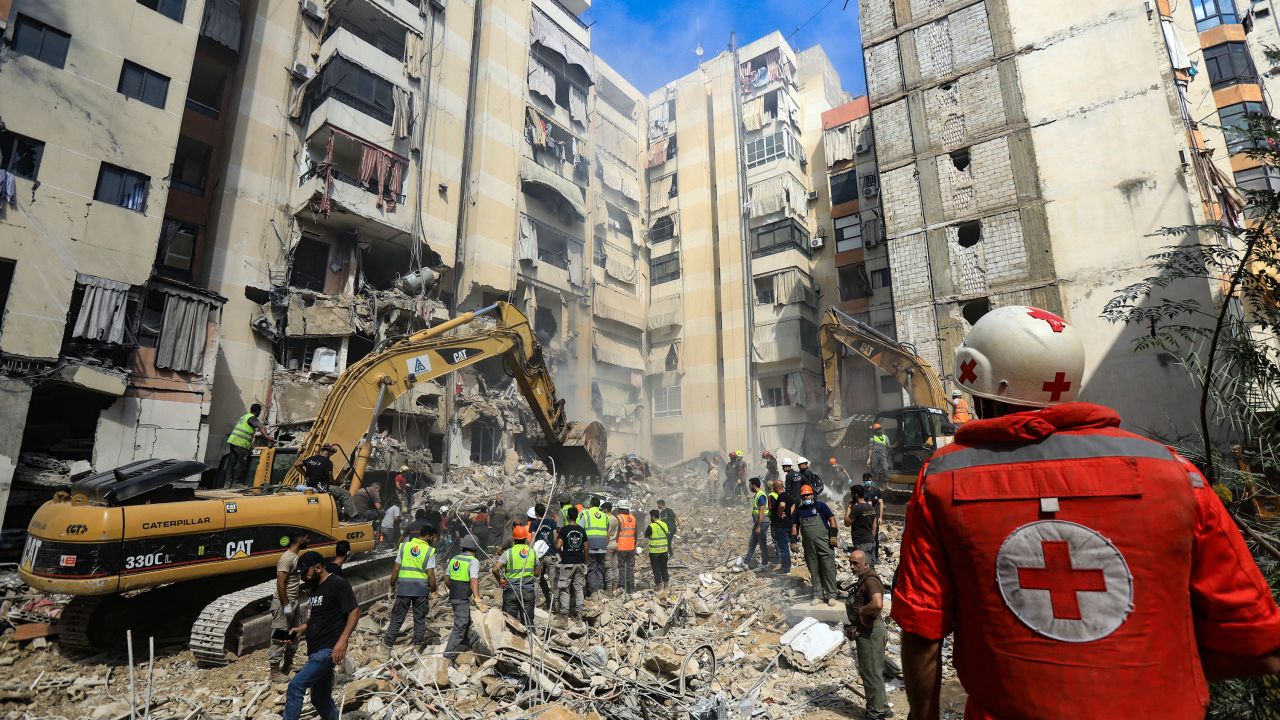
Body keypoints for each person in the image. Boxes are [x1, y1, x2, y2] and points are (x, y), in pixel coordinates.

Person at [893, 305, 1280, 720]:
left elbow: (922, 627)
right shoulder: (1173, 471)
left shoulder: (943, 477)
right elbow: (1255, 643)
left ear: (980, 379)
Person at [283, 551, 359, 720]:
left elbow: (354, 610)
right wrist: (300, 629)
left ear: (318, 567)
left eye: (305, 573)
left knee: (295, 687)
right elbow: (317, 618)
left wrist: (342, 641)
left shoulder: (337, 584)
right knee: (320, 699)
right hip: (315, 650)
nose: (303, 577)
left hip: (328, 650)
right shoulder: (315, 589)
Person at [846, 549, 890, 720]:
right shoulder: (864, 579)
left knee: (871, 672)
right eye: (850, 562)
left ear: (866, 564)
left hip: (871, 632)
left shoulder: (870, 580)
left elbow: (878, 604)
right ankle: (883, 707)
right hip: (868, 630)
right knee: (874, 671)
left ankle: (876, 712)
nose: (851, 566)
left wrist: (862, 611)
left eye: (855, 563)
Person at [381, 524, 437, 654]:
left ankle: (387, 648)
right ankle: (417, 647)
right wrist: (433, 589)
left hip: (404, 589)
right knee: (419, 619)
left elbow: (396, 569)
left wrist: (392, 584)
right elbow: (431, 574)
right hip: (421, 591)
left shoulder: (404, 546)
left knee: (397, 618)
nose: (434, 540)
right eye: (433, 537)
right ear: (428, 537)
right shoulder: (429, 551)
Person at [270, 533, 311, 683]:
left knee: (294, 634)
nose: (308, 541)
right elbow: (280, 584)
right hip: (283, 603)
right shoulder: (287, 558)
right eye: (307, 538)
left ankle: (287, 665)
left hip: (293, 601)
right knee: (280, 636)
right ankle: (274, 672)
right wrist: (286, 605)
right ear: (300, 539)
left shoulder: (295, 558)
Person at [443, 535, 484, 662]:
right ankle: (447, 657)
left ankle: (467, 644)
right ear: (475, 549)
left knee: (466, 622)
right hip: (461, 598)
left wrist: (455, 589)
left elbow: (446, 579)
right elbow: (473, 580)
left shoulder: (455, 558)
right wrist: (477, 597)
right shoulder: (473, 561)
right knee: (460, 626)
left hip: (454, 596)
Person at [796, 484, 839, 604]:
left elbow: (831, 519)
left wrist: (833, 534)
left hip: (824, 542)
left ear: (812, 495)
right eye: (804, 496)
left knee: (828, 568)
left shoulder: (821, 506)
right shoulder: (800, 510)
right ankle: (818, 595)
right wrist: (793, 540)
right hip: (809, 546)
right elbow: (795, 525)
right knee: (814, 570)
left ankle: (831, 595)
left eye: (808, 495)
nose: (806, 497)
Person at [493, 525, 538, 625]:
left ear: (513, 539)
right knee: (528, 622)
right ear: (526, 538)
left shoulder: (508, 553)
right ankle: (529, 638)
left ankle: (511, 638)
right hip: (528, 590)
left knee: (510, 622)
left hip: (511, 591)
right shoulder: (532, 552)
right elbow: (538, 572)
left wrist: (500, 580)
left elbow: (495, 569)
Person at [222, 402, 272, 487]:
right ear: (258, 411)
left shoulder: (244, 416)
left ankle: (227, 484)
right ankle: (236, 483)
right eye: (260, 411)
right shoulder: (252, 418)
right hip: (241, 443)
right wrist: (267, 437)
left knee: (231, 462)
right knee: (241, 462)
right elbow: (260, 427)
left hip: (233, 441)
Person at [555, 507, 588, 616]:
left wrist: (561, 555)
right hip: (579, 562)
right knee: (579, 588)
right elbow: (586, 548)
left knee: (565, 588)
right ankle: (579, 614)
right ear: (577, 517)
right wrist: (585, 561)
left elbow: (558, 545)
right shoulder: (581, 530)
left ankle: (564, 615)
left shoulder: (564, 530)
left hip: (567, 562)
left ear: (568, 517)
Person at [581, 497, 610, 595]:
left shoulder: (586, 513)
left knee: (591, 568)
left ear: (590, 504)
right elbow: (608, 530)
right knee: (600, 568)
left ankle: (593, 591)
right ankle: (600, 589)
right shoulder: (605, 516)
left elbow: (580, 529)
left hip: (590, 545)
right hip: (602, 545)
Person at [743, 477, 772, 570]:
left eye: (750, 485)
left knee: (762, 543)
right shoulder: (757, 494)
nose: (749, 487)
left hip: (762, 522)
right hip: (759, 522)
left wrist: (759, 526)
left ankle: (765, 564)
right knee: (752, 542)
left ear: (754, 485)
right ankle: (746, 562)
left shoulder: (761, 495)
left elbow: (761, 512)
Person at [844, 485, 877, 564]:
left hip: (861, 542)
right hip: (871, 541)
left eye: (852, 493)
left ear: (855, 495)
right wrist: (871, 538)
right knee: (870, 566)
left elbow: (847, 523)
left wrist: (849, 508)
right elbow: (874, 526)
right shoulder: (870, 507)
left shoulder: (857, 508)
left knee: (863, 568)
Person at [768, 478, 792, 574]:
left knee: (783, 548)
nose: (773, 488)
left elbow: (782, 505)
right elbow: (793, 505)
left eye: (774, 486)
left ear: (775, 487)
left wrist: (779, 514)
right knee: (784, 547)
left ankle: (785, 569)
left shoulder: (781, 496)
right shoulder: (787, 495)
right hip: (786, 525)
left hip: (781, 527)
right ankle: (786, 567)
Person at [613, 504, 638, 594]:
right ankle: (631, 587)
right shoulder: (633, 518)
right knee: (630, 568)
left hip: (621, 547)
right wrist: (634, 545)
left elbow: (617, 533)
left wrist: (615, 543)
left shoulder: (619, 518)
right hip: (631, 547)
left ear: (620, 509)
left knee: (621, 567)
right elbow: (635, 533)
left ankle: (622, 586)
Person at [645, 508, 671, 589]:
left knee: (656, 569)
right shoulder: (664, 524)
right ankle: (666, 585)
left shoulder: (651, 526)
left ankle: (659, 586)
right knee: (664, 567)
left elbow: (646, 535)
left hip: (654, 552)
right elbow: (667, 533)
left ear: (652, 517)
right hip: (664, 551)